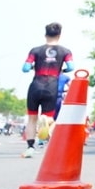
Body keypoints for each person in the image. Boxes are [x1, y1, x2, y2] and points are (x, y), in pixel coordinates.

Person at [21, 22, 72, 158]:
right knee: (49, 118)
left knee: (32, 118)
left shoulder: (35, 50)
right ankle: (45, 121)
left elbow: (25, 68)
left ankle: (30, 147)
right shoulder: (65, 51)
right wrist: (62, 69)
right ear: (59, 35)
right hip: (52, 86)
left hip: (36, 85)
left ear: (45, 34)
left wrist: (34, 67)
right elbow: (71, 67)